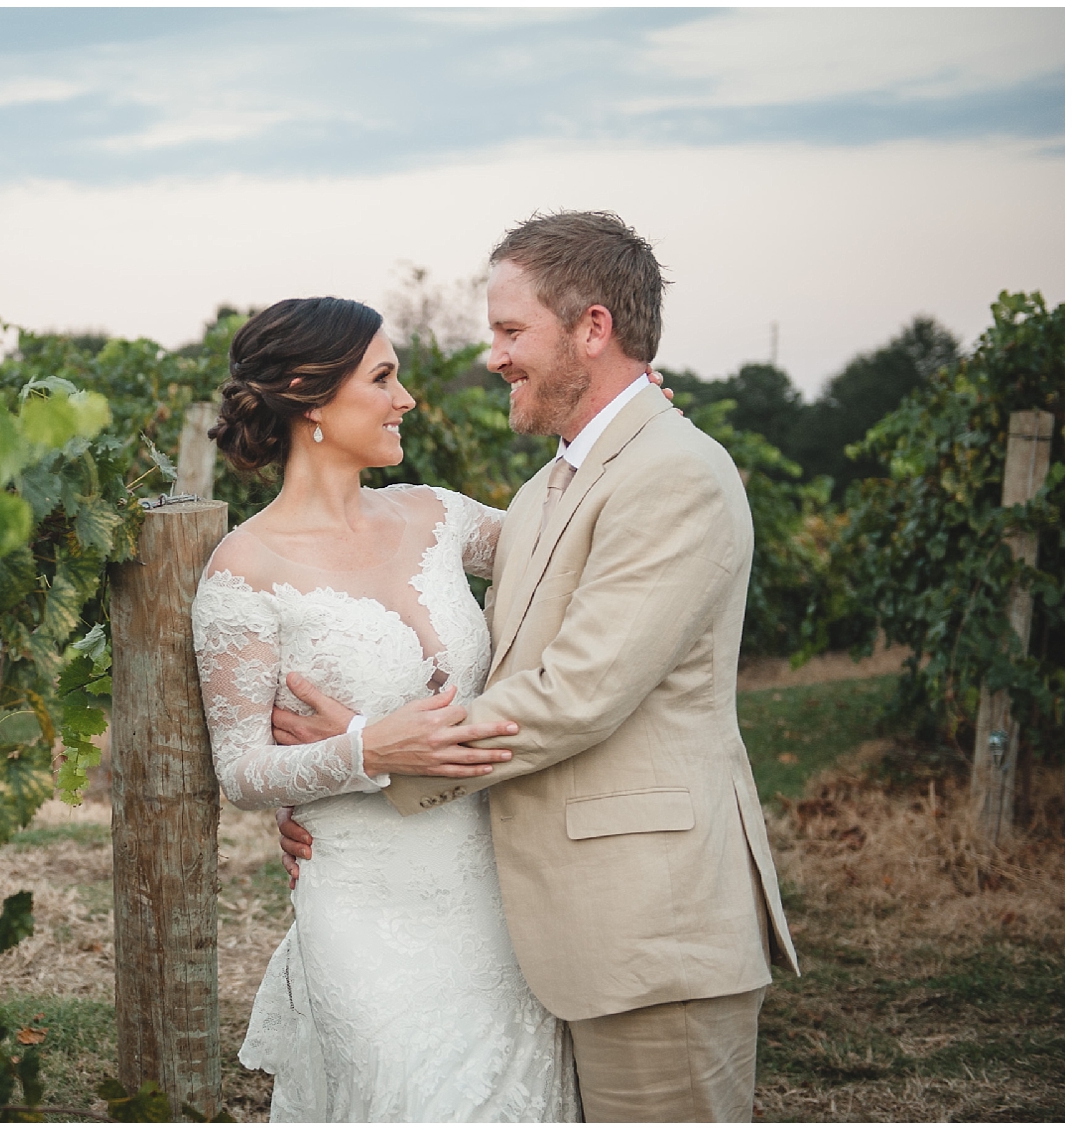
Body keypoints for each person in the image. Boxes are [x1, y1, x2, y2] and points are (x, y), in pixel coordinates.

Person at [273, 210, 800, 1122]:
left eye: (512, 331)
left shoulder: (674, 473)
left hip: (652, 931)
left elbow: (574, 696)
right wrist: (335, 788)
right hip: (558, 930)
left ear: (593, 328)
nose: (493, 357)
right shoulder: (551, 483)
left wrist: (372, 753)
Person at [189, 295, 581, 1121]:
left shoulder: (435, 513)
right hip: (362, 909)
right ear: (308, 395)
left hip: (495, 894)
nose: (406, 398)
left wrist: (622, 438)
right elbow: (243, 769)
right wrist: (368, 753)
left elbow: (571, 539)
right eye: (384, 377)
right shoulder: (244, 570)